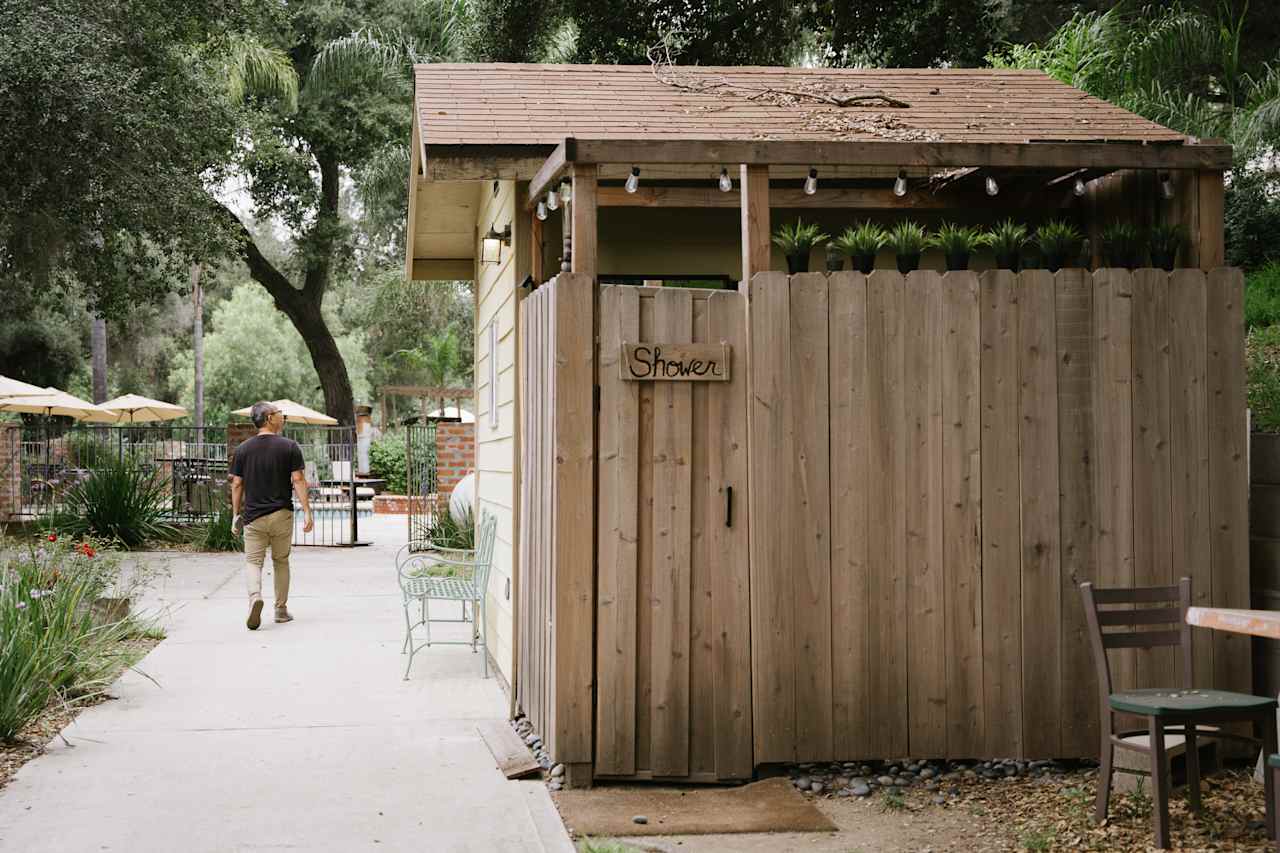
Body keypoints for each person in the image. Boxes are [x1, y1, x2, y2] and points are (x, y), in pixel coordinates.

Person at [230, 402, 314, 630]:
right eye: (279, 413)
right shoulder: (289, 447)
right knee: (281, 561)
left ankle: (254, 597)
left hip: (254, 517)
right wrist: (307, 511)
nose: (283, 416)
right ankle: (280, 610)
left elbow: (237, 484)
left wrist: (235, 514)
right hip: (281, 514)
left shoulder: (243, 449)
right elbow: (298, 480)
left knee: (253, 562)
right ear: (269, 418)